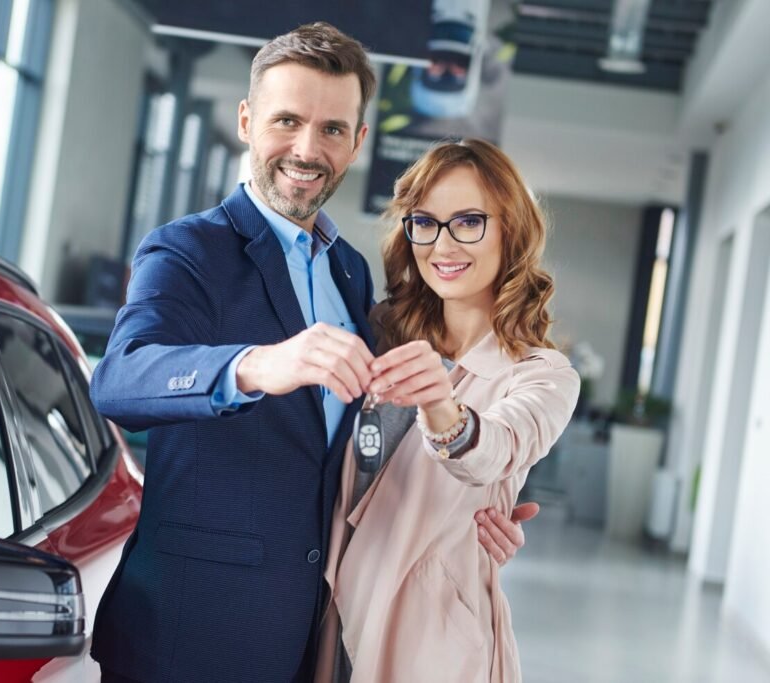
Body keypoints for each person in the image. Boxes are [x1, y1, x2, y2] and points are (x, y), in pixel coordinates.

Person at [90, 24, 533, 683]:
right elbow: (120, 378)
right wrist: (254, 365)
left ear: (358, 142)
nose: (306, 148)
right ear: (247, 120)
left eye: (331, 129)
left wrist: (470, 515)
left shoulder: (351, 273)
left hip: (311, 637)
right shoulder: (188, 251)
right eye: (287, 120)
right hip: (189, 636)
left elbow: (372, 442)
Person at [316, 139, 581, 682]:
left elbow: (495, 449)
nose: (443, 244)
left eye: (468, 221)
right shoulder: (376, 331)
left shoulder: (541, 376)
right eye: (426, 222)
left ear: (511, 229)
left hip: (428, 643)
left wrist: (441, 403)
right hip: (327, 615)